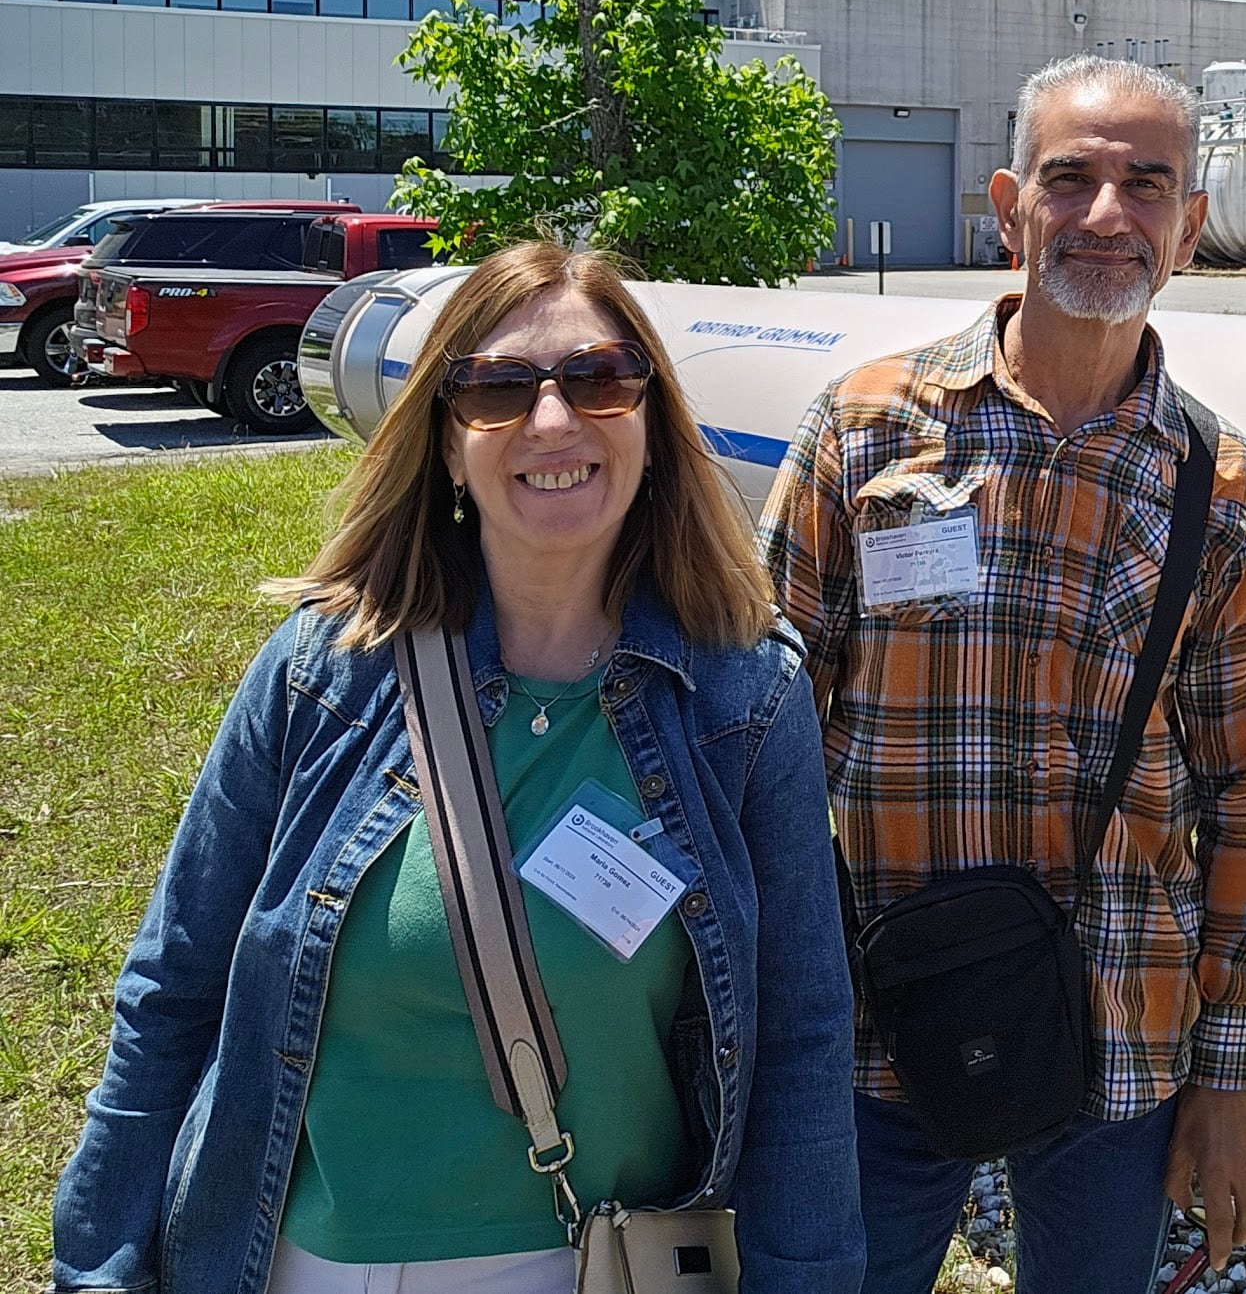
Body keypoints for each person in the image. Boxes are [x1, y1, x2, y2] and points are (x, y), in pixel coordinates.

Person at [52, 242, 863, 1294]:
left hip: (579, 1267)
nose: (555, 420)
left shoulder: (741, 699)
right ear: (445, 443)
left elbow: (802, 1036)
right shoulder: (323, 674)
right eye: (497, 389)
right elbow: (173, 989)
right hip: (295, 1262)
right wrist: (101, 1269)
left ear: (654, 424)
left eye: (599, 378)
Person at [761, 54, 1246, 1294]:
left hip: (1120, 1026)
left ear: (1190, 228)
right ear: (1008, 207)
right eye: (1071, 179)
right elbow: (756, 721)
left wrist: (1229, 1077)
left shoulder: (1216, 485)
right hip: (878, 1021)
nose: (1108, 215)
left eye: (1146, 186)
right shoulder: (868, 429)